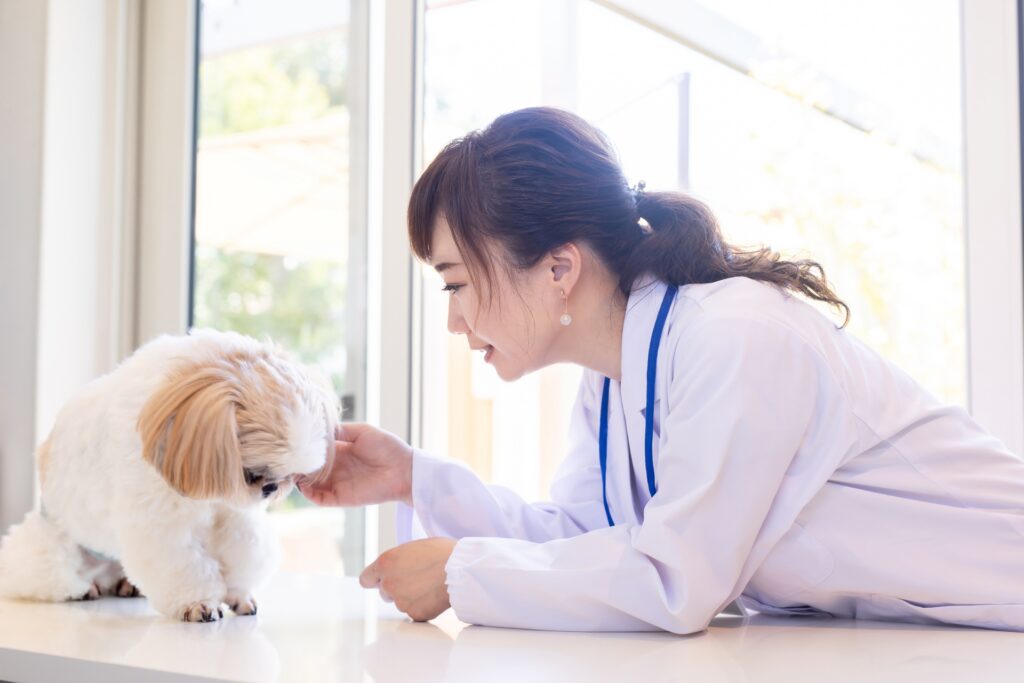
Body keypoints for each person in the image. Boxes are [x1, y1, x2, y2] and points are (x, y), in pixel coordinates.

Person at [297, 107, 1024, 634]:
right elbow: (579, 541)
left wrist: (461, 572)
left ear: (558, 267)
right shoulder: (612, 375)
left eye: (455, 282)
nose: (454, 320)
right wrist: (414, 477)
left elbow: (673, 579)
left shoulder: (734, 336)